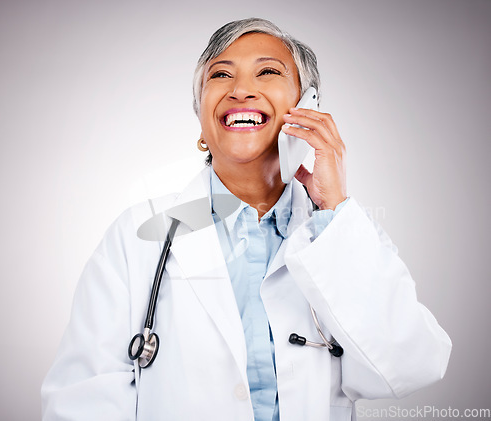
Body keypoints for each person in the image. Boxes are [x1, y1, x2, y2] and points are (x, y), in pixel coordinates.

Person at [41, 18, 451, 421]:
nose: (240, 90)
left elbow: (408, 366)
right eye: (220, 75)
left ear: (306, 107)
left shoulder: (340, 232)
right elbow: (82, 403)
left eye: (268, 71)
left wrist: (333, 211)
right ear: (201, 121)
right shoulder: (139, 236)